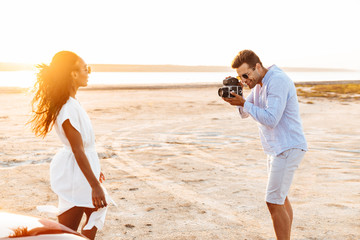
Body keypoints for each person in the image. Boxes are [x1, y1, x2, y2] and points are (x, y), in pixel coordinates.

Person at [222, 50, 307, 240]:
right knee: (280, 198)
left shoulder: (276, 80)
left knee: (273, 201)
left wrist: (244, 102)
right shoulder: (258, 84)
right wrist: (238, 95)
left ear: (258, 67)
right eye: (240, 77)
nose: (244, 79)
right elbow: (245, 112)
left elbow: (271, 119)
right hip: (275, 149)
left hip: (287, 146)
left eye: (246, 75)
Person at [29, 51, 110, 240]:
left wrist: (94, 171)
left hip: (80, 169)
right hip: (75, 173)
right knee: (67, 231)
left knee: (81, 224)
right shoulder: (67, 108)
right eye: (85, 68)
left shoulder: (72, 103)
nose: (88, 72)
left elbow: (83, 149)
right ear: (72, 74)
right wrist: (94, 184)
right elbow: (77, 149)